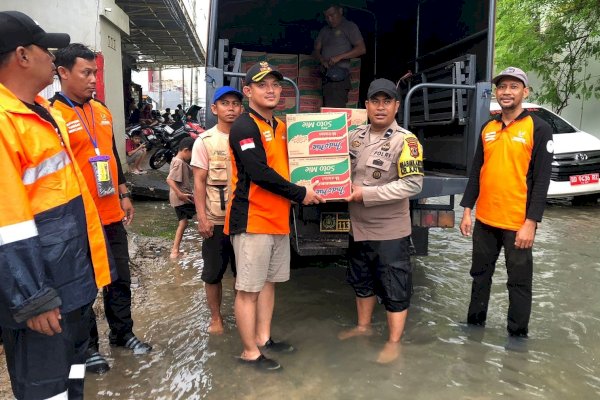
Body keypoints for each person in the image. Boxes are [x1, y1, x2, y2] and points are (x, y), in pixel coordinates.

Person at [0, 11, 114, 399]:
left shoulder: (40, 113)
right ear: (22, 55)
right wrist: (34, 300)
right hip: (44, 296)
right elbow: (8, 225)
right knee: (47, 391)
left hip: (73, 284)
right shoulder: (5, 122)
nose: (53, 57)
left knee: (73, 379)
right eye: (45, 49)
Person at [51, 43, 152, 375]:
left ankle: (123, 334)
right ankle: (89, 348)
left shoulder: (103, 111)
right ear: (63, 73)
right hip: (78, 217)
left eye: (95, 72)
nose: (94, 79)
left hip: (110, 212)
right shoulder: (54, 116)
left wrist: (124, 192)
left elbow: (109, 154)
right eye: (86, 72)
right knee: (84, 286)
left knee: (120, 277)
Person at [226, 61, 324, 371]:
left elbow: (302, 161)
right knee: (248, 289)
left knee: (268, 283)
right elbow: (258, 172)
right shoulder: (244, 126)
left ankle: (264, 338)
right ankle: (249, 352)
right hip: (252, 219)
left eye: (276, 85)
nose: (271, 90)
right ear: (248, 91)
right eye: (262, 84)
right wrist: (300, 194)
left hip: (278, 218)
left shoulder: (281, 126)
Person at [459, 67, 553, 338]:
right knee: (479, 277)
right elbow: (477, 171)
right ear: (496, 93)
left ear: (525, 92)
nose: (507, 92)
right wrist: (467, 211)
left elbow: (542, 182)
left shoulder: (539, 128)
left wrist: (531, 223)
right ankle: (474, 329)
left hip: (517, 224)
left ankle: (517, 337)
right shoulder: (488, 128)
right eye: (502, 87)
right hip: (485, 220)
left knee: (519, 284)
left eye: (514, 86)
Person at [339, 78, 424, 364]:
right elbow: (331, 166)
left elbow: (413, 186)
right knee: (361, 279)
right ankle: (363, 328)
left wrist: (367, 194)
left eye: (387, 101)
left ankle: (393, 342)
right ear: (366, 105)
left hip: (390, 229)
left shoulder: (407, 141)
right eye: (375, 100)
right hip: (358, 226)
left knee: (394, 285)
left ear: (396, 106)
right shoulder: (354, 137)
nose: (380, 107)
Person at [191, 86, 243, 334]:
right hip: (217, 219)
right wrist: (202, 218)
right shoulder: (205, 141)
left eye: (235, 103)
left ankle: (242, 316)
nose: (231, 108)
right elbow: (199, 181)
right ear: (214, 109)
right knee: (213, 274)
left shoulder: (247, 138)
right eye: (225, 103)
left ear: (241, 108)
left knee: (244, 275)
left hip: (244, 221)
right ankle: (216, 318)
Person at [314, 3, 366, 107]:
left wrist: (340, 57)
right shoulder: (324, 30)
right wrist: (322, 60)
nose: (330, 19)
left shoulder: (349, 27)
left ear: (340, 11)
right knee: (327, 109)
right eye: (327, 17)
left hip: (339, 77)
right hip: (326, 76)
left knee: (335, 112)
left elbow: (361, 49)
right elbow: (316, 49)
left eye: (332, 15)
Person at [167, 136, 196, 259]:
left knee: (183, 223)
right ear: (185, 150)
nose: (191, 157)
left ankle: (175, 251)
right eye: (191, 153)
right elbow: (169, 179)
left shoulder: (179, 161)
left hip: (182, 197)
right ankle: (174, 251)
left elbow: (190, 171)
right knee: (203, 213)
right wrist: (180, 194)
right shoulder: (179, 162)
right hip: (182, 198)